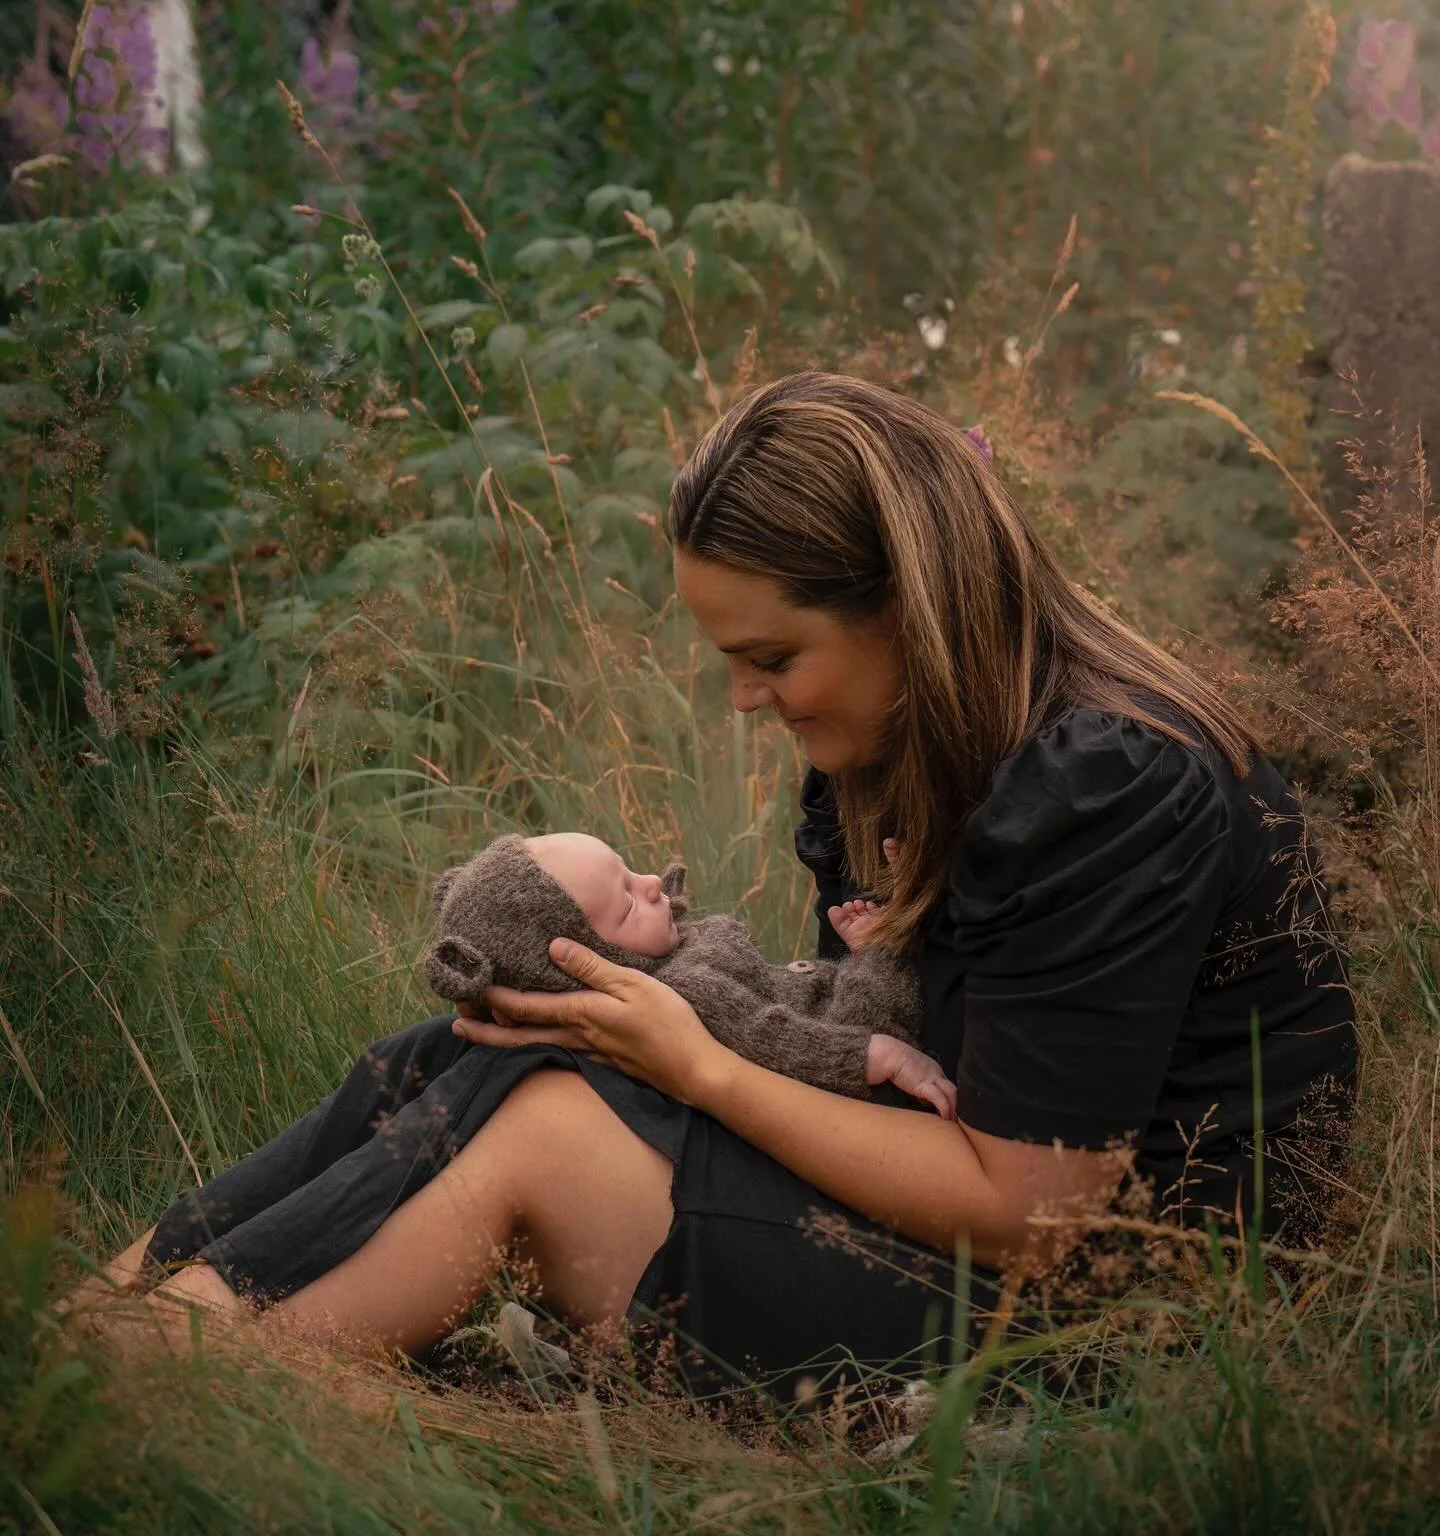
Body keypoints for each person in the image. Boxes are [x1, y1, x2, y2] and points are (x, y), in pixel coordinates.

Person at [95, 372, 1357, 1400]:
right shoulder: (904, 755)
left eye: (772, 657)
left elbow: (1039, 1216)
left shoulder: (1105, 788)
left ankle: (210, 1388)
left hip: (1095, 1337)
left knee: (548, 1124)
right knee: (474, 1045)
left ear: (907, 609)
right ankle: (120, 1305)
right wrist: (663, 1036)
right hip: (947, 1238)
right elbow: (857, 1037)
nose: (747, 699)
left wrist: (696, 1065)